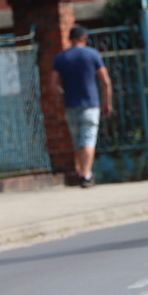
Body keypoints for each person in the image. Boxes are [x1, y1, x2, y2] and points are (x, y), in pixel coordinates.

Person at [51, 24, 112, 188]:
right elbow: (105, 81)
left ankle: (79, 172)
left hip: (71, 105)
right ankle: (86, 174)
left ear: (70, 39)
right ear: (84, 38)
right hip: (90, 104)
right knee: (88, 139)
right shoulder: (93, 55)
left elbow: (53, 84)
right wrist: (107, 102)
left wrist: (63, 94)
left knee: (77, 140)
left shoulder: (61, 58)